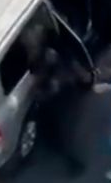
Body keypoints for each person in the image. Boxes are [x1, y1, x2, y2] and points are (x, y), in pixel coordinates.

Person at [33, 47, 86, 177]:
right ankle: (70, 161)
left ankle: (69, 161)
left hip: (56, 107)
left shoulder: (52, 75)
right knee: (63, 135)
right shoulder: (60, 70)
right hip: (59, 106)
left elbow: (44, 92)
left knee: (61, 135)